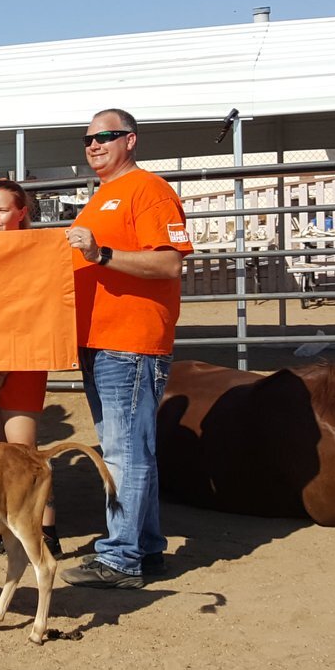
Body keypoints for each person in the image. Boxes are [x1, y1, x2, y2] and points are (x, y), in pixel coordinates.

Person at [61, 109, 193, 588]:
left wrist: (103, 255)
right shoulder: (104, 196)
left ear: (130, 140)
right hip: (105, 341)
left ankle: (119, 557)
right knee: (131, 450)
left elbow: (168, 265)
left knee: (124, 452)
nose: (94, 145)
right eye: (89, 139)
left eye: (106, 136)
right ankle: (146, 549)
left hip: (130, 343)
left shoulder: (149, 191)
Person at [0, 178, 60, 557]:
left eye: (1, 210)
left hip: (20, 361)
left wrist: (2, 367)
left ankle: (46, 529)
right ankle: (8, 528)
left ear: (21, 213)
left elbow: (31, 316)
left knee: (23, 451)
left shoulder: (33, 253)